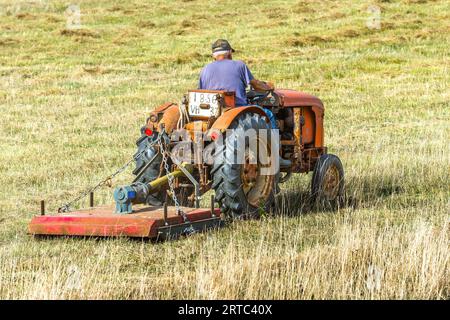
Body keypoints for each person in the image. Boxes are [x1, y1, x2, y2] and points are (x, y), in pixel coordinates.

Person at [199, 39, 290, 168]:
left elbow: (202, 92)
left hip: (212, 114)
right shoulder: (239, 65)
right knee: (268, 114)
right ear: (230, 53)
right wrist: (268, 87)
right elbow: (255, 85)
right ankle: (275, 156)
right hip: (236, 109)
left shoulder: (205, 70)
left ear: (213, 56)